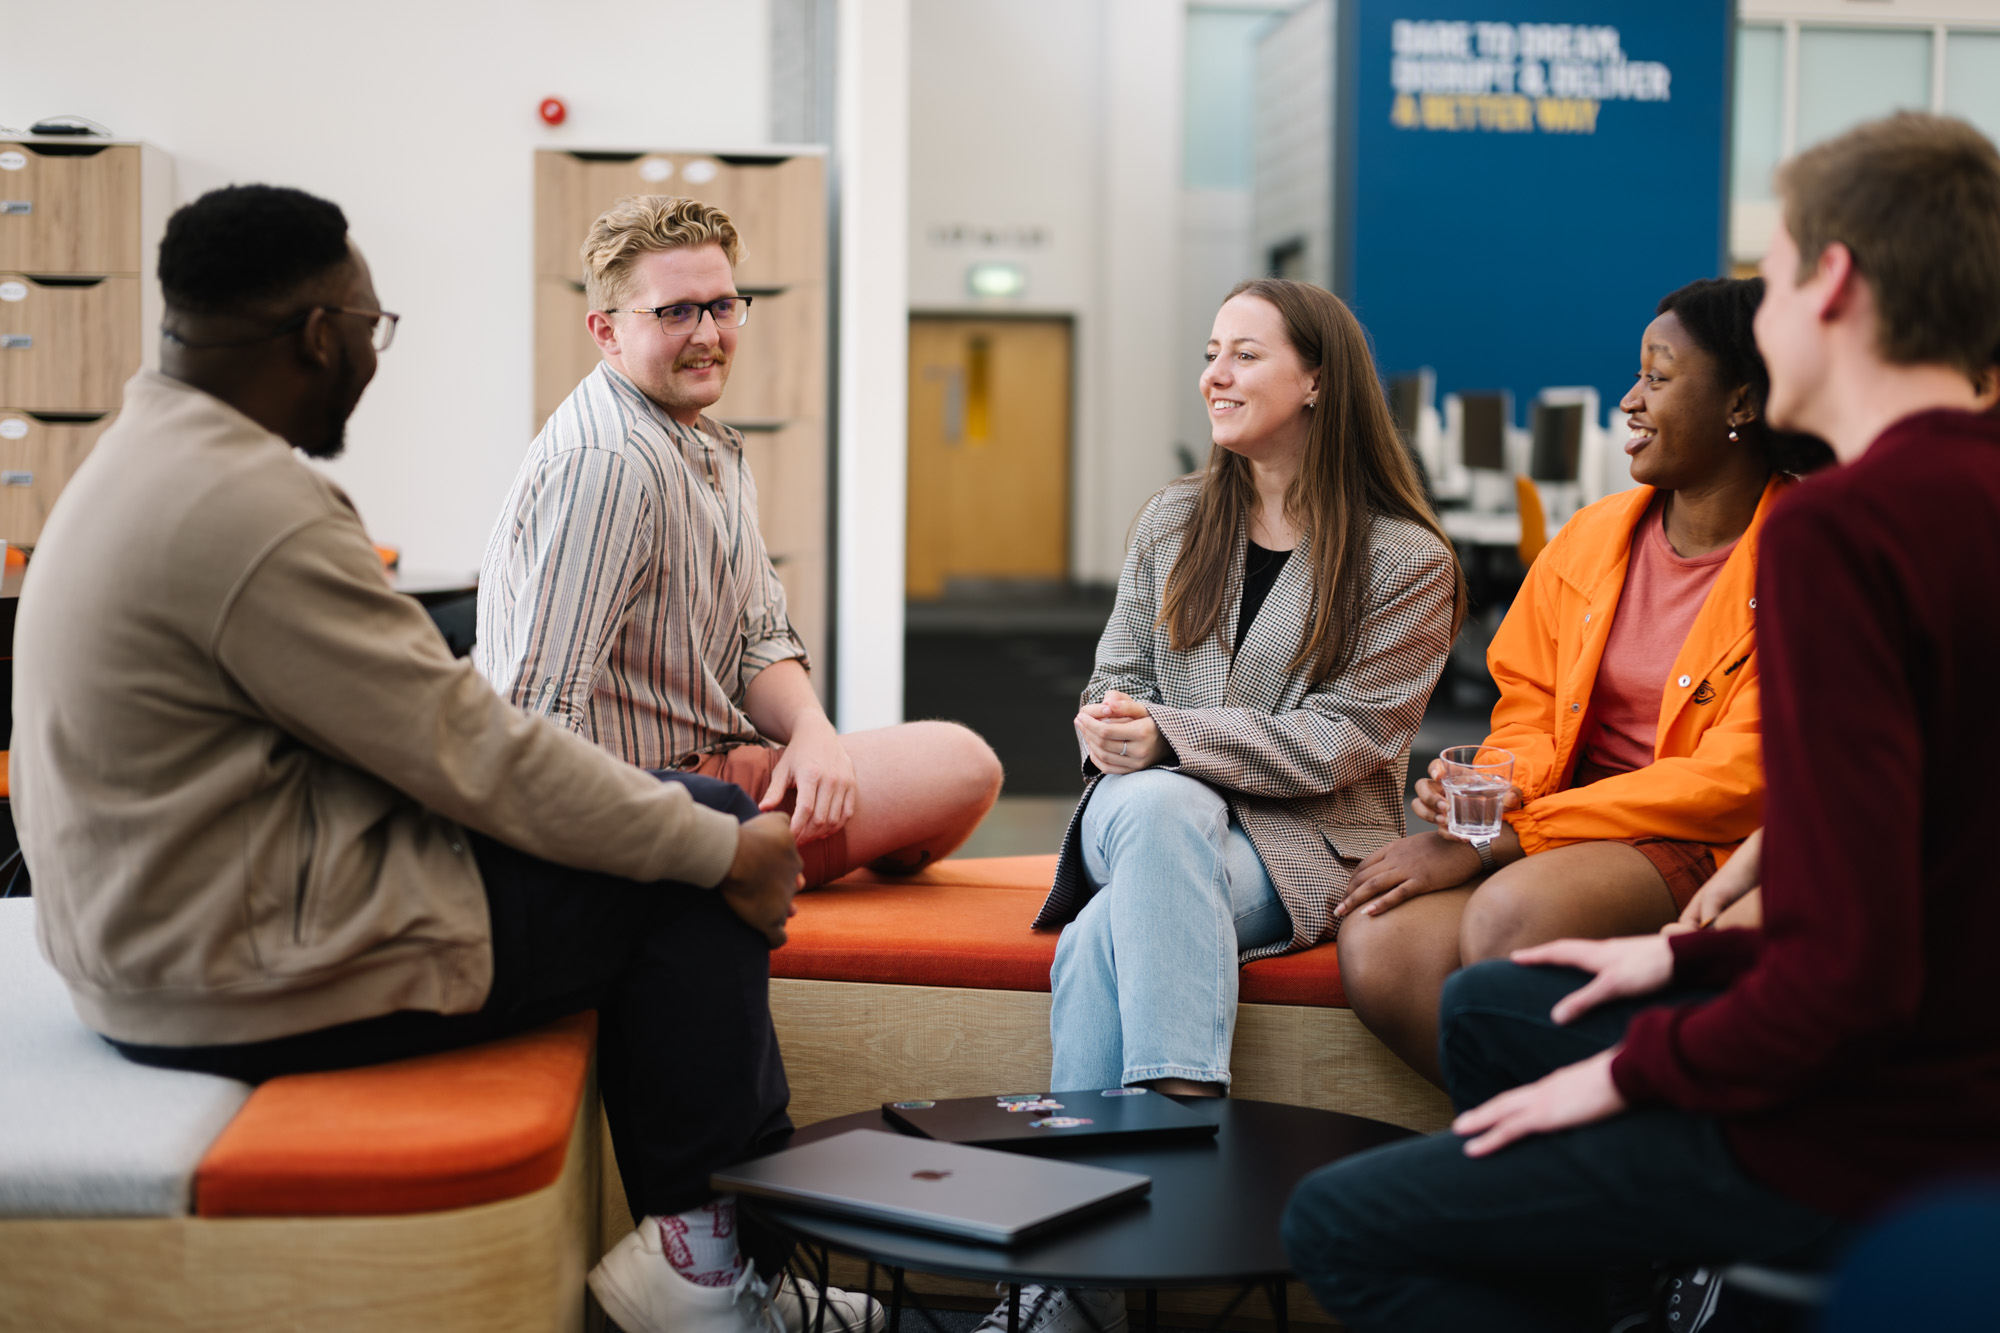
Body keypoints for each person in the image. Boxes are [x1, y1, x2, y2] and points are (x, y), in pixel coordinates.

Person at [10, 185, 879, 1333]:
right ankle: (708, 1279)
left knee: (690, 818)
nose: (373, 357)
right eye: (375, 329)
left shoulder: (144, 460)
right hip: (225, 968)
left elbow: (420, 738)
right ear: (322, 334)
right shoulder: (254, 506)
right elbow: (476, 745)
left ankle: (705, 1256)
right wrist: (722, 846)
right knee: (692, 872)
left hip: (159, 928)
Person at [1282, 111, 2000, 1332]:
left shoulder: (1837, 533)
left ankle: (1647, 1242)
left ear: (1830, 283)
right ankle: (1623, 1268)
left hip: (1879, 1115)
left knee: (1334, 1225)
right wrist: (1675, 955)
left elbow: (1851, 971)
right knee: (1493, 1001)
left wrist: (1630, 1072)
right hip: (1932, 1045)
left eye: (1769, 275)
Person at [992, 279, 1462, 1333]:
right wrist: (1112, 724)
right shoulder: (1174, 519)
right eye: (1210, 351)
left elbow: (1348, 739)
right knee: (1159, 810)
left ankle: (1060, 1298)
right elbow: (1110, 675)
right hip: (1138, 811)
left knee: (1099, 937)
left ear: (1316, 381)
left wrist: (1172, 738)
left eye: (1243, 354)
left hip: (1296, 843)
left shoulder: (1404, 559)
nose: (1213, 374)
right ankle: (1180, 1119)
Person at [1335, 277, 1833, 1086]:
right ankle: (1538, 1147)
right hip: (1569, 817)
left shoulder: (1807, 559)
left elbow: (1735, 784)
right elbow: (1527, 705)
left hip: (1698, 841)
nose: (1631, 400)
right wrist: (1496, 789)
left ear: (1741, 402)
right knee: (1383, 943)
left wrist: (1515, 835)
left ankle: (1576, 1152)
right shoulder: (1591, 535)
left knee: (1509, 912)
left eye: (1659, 377)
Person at [477, 196, 999, 885]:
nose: (707, 333)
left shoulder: (703, 443)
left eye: (722, 306)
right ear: (606, 331)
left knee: (934, 783)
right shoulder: (608, 462)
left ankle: (784, 846)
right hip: (650, 802)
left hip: (719, 757)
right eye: (674, 312)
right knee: (961, 764)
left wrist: (814, 735)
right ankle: (732, 875)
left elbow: (759, 636)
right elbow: (537, 714)